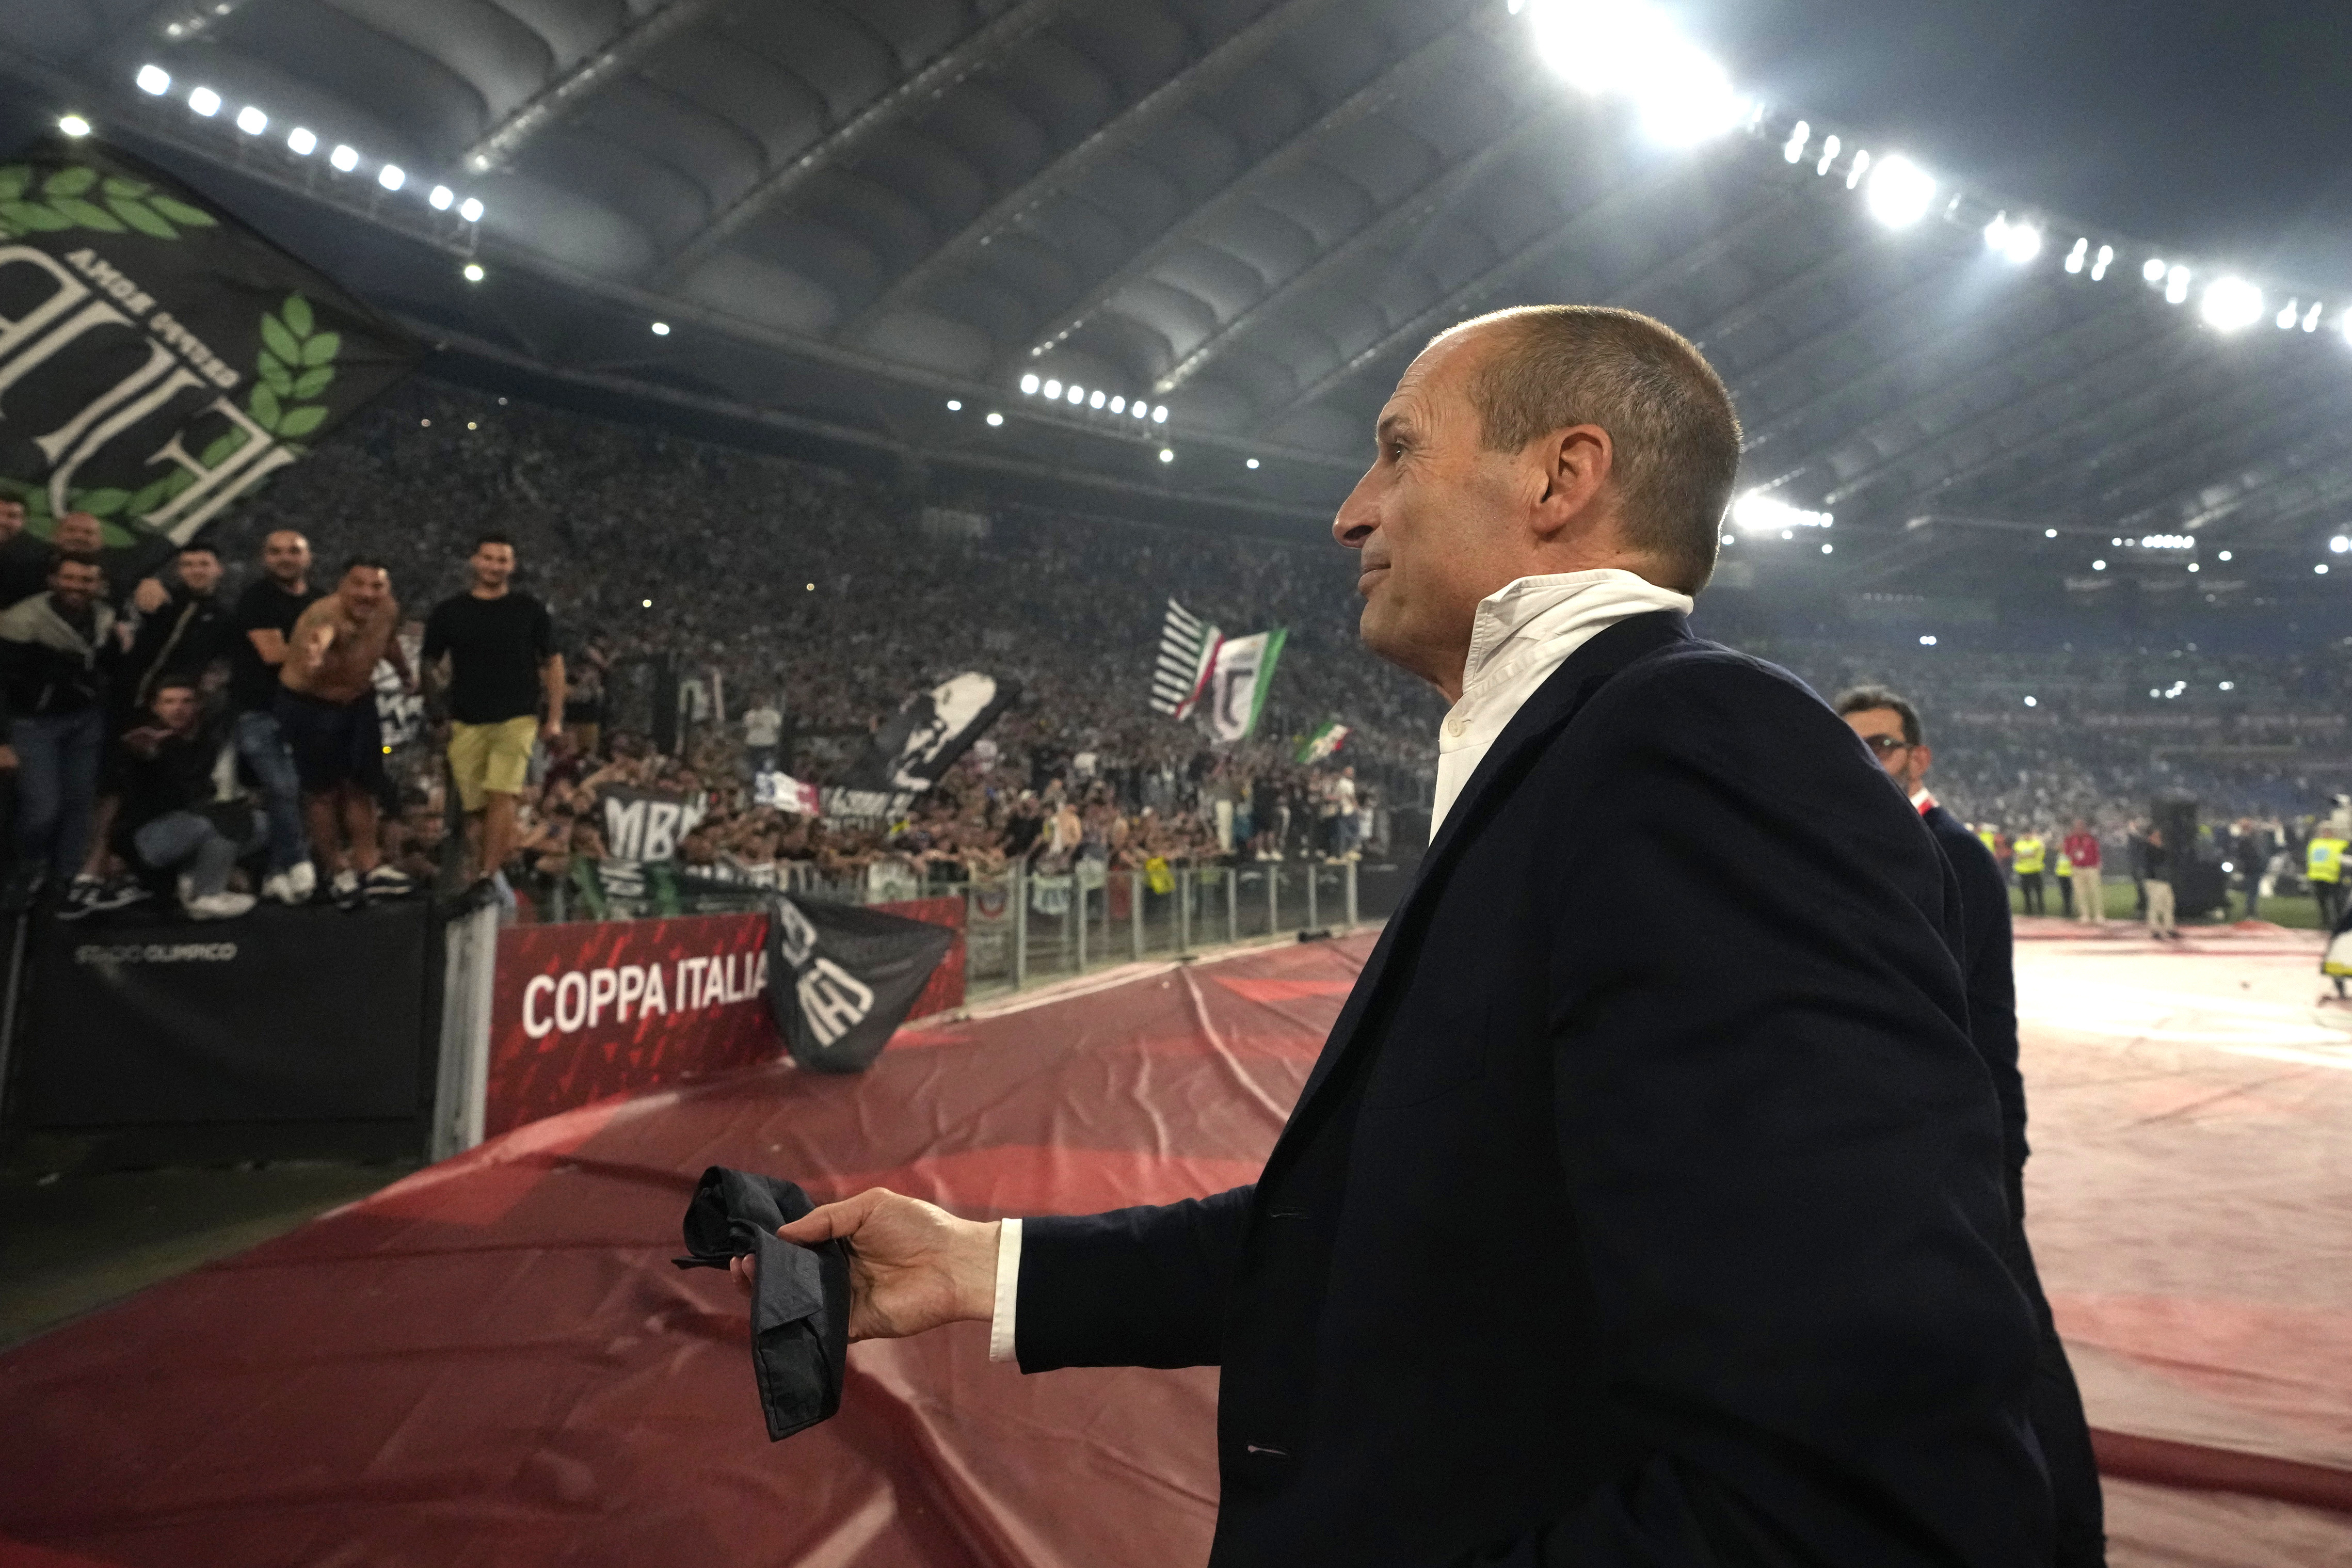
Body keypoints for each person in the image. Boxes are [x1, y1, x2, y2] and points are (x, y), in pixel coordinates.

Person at [749, 307, 2056, 1564]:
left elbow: (1868, 1478)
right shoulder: (1574, 766)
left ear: (1562, 475)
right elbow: (1410, 1231)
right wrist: (989, 1268)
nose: (1350, 509)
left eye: (1399, 447)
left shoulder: (1695, 748)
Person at [1832, 686, 2106, 1565]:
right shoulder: (1860, 851)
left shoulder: (1951, 854)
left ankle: (2067, 1541)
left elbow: (1982, 1031)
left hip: (1960, 1147)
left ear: (1918, 756)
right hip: (1885, 1147)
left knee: (2018, 1355)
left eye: (1881, 745)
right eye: (1852, 749)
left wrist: (2002, 1160)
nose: (1867, 762)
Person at [423, 533, 563, 909]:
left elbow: (553, 662)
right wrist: (436, 711)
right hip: (466, 719)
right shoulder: (449, 612)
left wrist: (554, 717)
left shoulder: (529, 609)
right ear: (475, 562)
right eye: (489, 559)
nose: (495, 566)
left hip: (516, 716)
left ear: (512, 566)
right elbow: (429, 661)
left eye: (502, 560)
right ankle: (487, 878)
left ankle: (486, 874)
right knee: (475, 810)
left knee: (503, 793)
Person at [277, 558, 414, 911]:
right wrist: (315, 654)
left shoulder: (387, 610)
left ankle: (368, 866)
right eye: (360, 585)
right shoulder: (322, 615)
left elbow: (387, 642)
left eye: (376, 586)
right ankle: (337, 869)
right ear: (342, 586)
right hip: (312, 705)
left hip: (359, 702)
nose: (368, 594)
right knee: (322, 793)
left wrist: (403, 673)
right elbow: (321, 636)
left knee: (363, 786)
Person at [83, 678, 261, 920]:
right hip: (143, 841)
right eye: (169, 702)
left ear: (198, 706)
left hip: (186, 826)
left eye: (186, 701)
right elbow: (119, 798)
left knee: (259, 824)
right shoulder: (139, 741)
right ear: (156, 707)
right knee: (216, 823)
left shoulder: (203, 741)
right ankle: (205, 895)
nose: (178, 708)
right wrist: (148, 757)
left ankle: (192, 877)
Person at [0, 552, 118, 906]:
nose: (77, 587)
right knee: (43, 809)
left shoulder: (104, 618)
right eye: (69, 579)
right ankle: (26, 869)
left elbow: (105, 668)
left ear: (97, 585)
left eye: (86, 580)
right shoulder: (20, 621)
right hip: (34, 724)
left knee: (79, 806)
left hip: (85, 721)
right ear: (52, 581)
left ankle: (65, 881)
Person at [228, 529, 322, 905]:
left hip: (305, 713)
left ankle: (275, 873)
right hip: (259, 711)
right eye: (277, 552)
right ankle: (297, 862)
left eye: (294, 551)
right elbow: (274, 656)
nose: (285, 558)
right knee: (282, 789)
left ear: (308, 557)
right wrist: (319, 657)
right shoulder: (256, 599)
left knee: (298, 793)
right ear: (265, 558)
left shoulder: (319, 602)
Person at [119, 542, 232, 724]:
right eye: (188, 565)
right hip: (121, 695)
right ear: (178, 570)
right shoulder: (160, 598)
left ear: (219, 569)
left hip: (174, 711)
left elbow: (220, 668)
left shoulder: (225, 618)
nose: (196, 571)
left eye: (204, 564)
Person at [2062, 817, 2103, 926]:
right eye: (2077, 827)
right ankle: (2085, 915)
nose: (2079, 829)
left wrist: (2098, 865)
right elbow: (2067, 854)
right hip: (2077, 868)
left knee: (2095, 892)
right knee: (2080, 893)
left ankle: (2099, 915)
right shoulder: (2070, 839)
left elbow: (2097, 852)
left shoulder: (2091, 838)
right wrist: (2073, 851)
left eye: (2081, 827)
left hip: (2091, 868)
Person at [2307, 822, 2346, 929]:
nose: (2326, 833)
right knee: (2321, 901)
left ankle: (2338, 921)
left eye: (2329, 831)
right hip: (2316, 876)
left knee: (2336, 901)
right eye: (2325, 831)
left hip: (2332, 877)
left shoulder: (2339, 844)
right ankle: (2325, 920)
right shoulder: (2315, 843)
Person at [2144, 825, 2177, 940]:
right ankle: (2155, 929)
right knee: (2155, 906)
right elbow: (2157, 861)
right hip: (2154, 880)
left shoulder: (2161, 848)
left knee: (2169, 904)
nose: (2158, 838)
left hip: (2164, 880)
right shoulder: (2148, 848)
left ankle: (2169, 928)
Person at [742, 694, 783, 777]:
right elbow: (745, 729)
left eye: (760, 700)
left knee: (769, 768)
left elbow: (778, 727)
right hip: (753, 745)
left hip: (769, 745)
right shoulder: (749, 715)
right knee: (755, 769)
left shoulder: (772, 714)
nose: (758, 702)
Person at [2013, 825, 2047, 915]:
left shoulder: (2036, 843)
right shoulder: (2019, 844)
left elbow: (2033, 854)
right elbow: (2017, 855)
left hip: (2035, 870)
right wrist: (2026, 855)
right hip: (2023, 871)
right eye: (2025, 834)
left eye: (2028, 834)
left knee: (2038, 891)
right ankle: (2029, 910)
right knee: (2026, 892)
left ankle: (2041, 909)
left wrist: (2023, 855)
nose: (2027, 836)